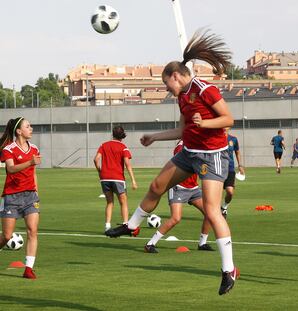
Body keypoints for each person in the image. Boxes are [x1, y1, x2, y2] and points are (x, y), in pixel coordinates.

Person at [105, 29, 239, 295]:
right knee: (157, 186)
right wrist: (155, 137)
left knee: (212, 211)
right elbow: (183, 130)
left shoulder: (205, 90)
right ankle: (132, 226)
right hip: (189, 152)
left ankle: (228, 270)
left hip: (212, 157)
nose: (168, 90)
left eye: (168, 84)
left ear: (176, 76)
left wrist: (206, 122)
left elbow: (229, 120)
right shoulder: (181, 96)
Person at [145, 140, 213, 253]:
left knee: (210, 213)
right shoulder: (181, 147)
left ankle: (202, 243)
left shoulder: (196, 145)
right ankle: (150, 244)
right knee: (176, 218)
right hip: (178, 187)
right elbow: (184, 164)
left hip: (193, 188)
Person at [0, 117, 42, 279]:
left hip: (30, 196)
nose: (31, 128)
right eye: (28, 126)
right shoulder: (8, 149)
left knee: (33, 231)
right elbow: (10, 169)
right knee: (7, 236)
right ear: (19, 131)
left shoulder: (34, 148)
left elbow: (34, 173)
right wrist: (30, 162)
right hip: (11, 197)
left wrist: (36, 192)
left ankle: (28, 268)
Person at [94, 126, 138, 234]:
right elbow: (127, 164)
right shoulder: (123, 147)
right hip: (117, 178)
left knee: (109, 202)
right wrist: (133, 180)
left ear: (112, 134)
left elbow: (96, 159)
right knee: (123, 202)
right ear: (122, 135)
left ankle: (107, 226)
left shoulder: (103, 145)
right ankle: (125, 225)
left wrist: (100, 171)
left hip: (105, 178)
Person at [221, 127, 244, 218]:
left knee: (230, 192)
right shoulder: (216, 138)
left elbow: (237, 152)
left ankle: (224, 207)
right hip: (217, 170)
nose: (224, 127)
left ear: (229, 127)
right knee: (216, 195)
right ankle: (215, 214)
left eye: (226, 126)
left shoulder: (233, 139)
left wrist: (240, 165)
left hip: (230, 169)